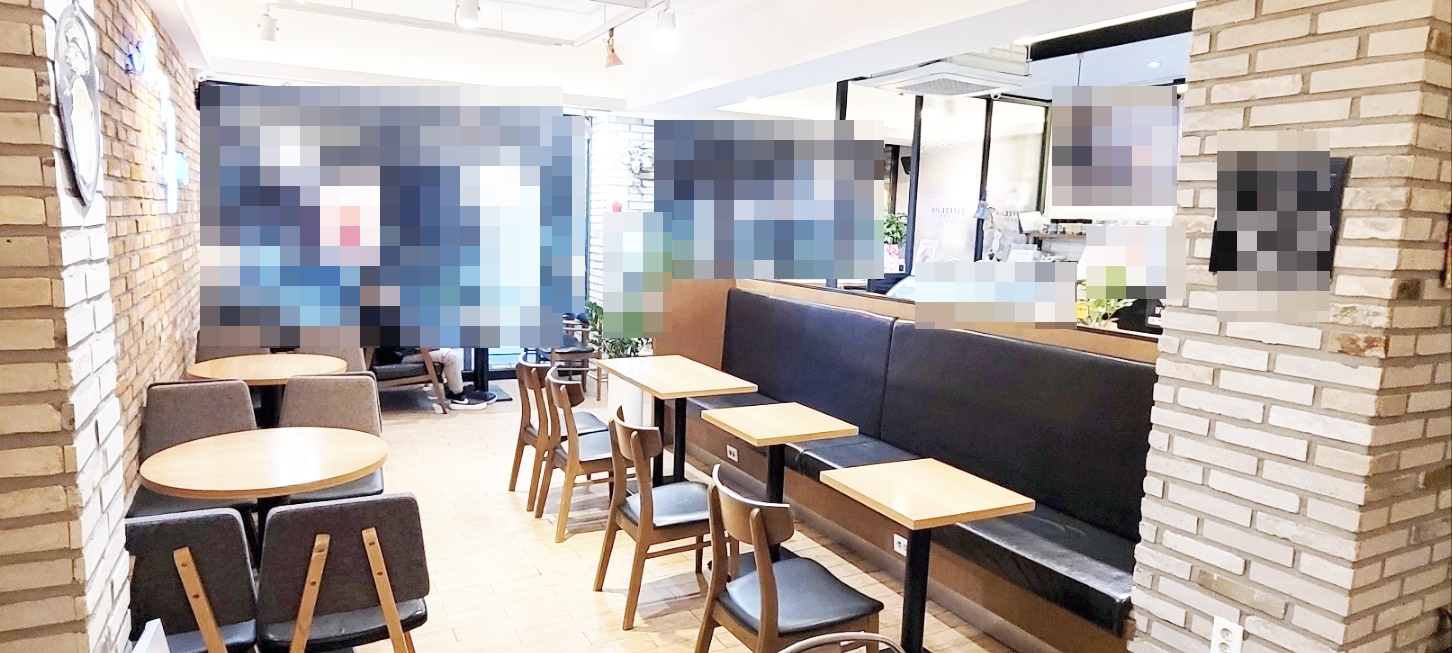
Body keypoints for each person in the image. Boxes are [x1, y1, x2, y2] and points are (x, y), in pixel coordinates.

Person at [374, 347, 488, 409]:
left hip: (396, 353)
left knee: (443, 348)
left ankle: (451, 387)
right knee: (451, 356)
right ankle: (458, 397)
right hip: (398, 357)